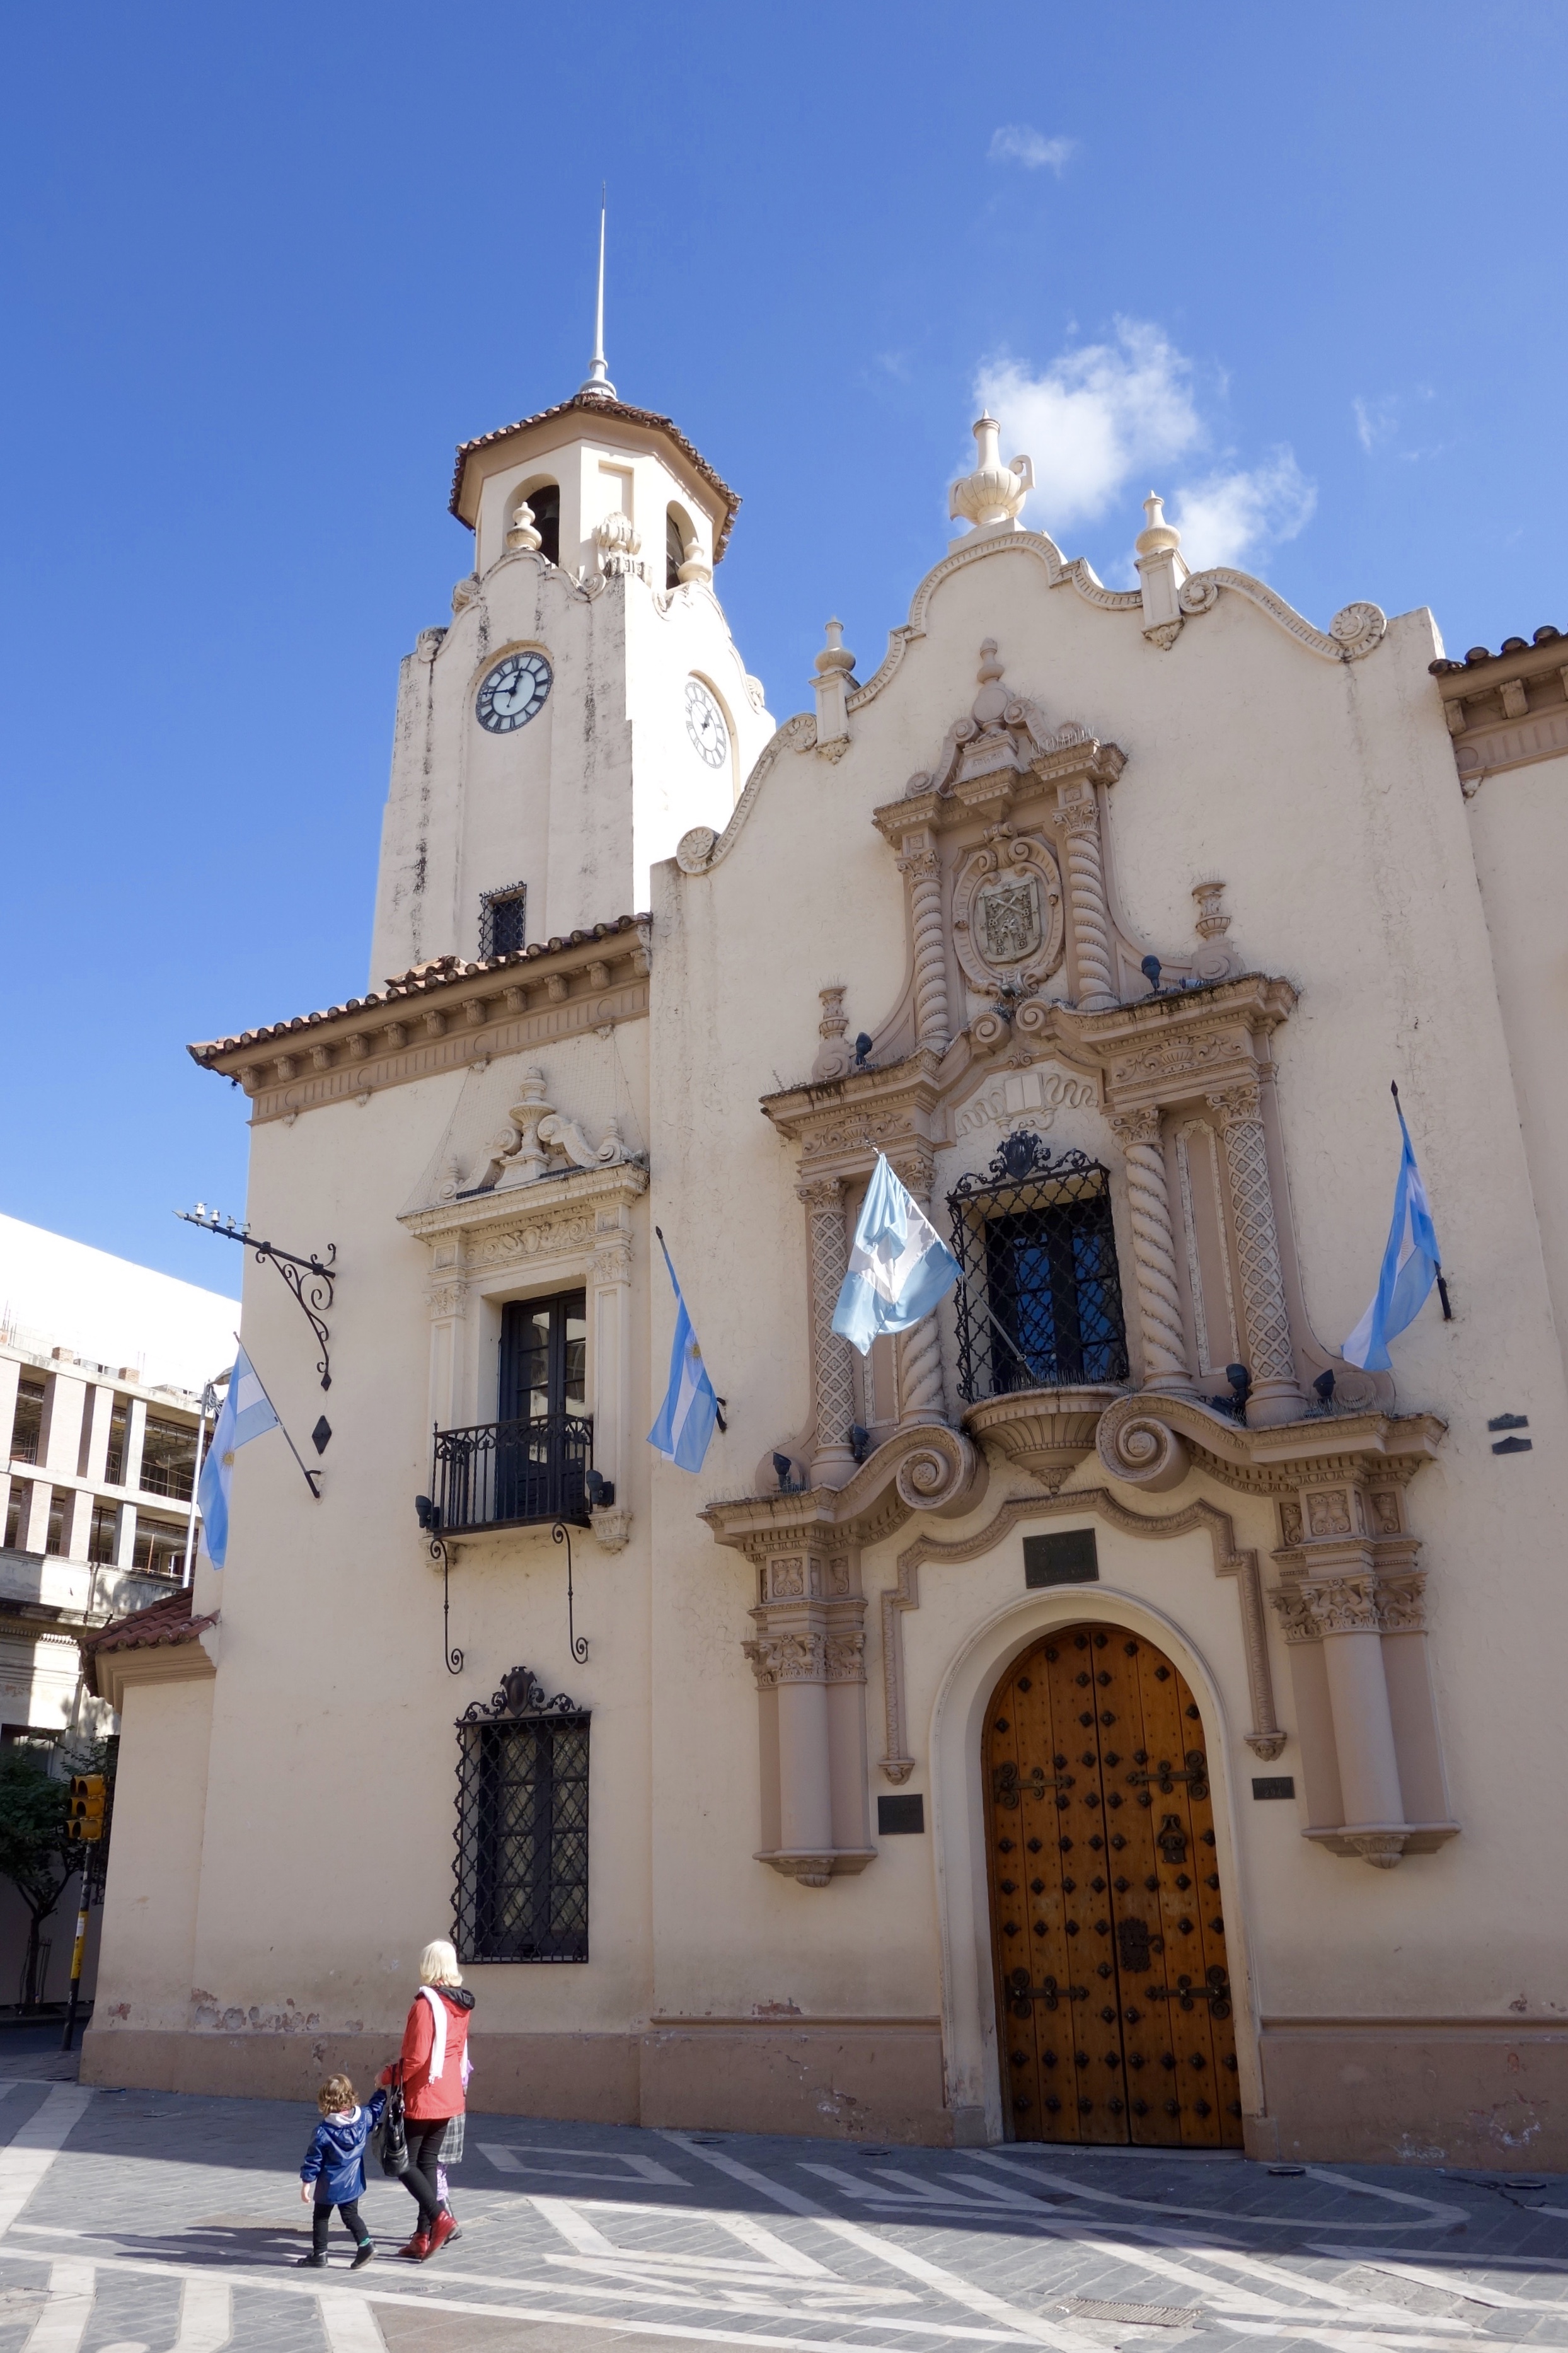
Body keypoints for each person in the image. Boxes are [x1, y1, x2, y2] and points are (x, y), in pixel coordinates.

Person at [379, 1938, 475, 2261]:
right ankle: (423, 2235)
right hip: (449, 2093)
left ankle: (439, 2218)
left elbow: (416, 2058)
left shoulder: (425, 2005)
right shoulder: (460, 2004)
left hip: (425, 2094)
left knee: (401, 2162)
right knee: (428, 2163)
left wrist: (387, 2076)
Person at [296, 2073, 385, 2270]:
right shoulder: (364, 2119)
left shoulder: (324, 2131)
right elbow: (375, 2109)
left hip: (329, 2184)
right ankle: (366, 2244)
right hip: (353, 2182)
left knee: (321, 2217)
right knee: (351, 2215)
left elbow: (314, 2159)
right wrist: (380, 2092)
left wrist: (307, 2182)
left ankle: (320, 2254)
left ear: (325, 2102)